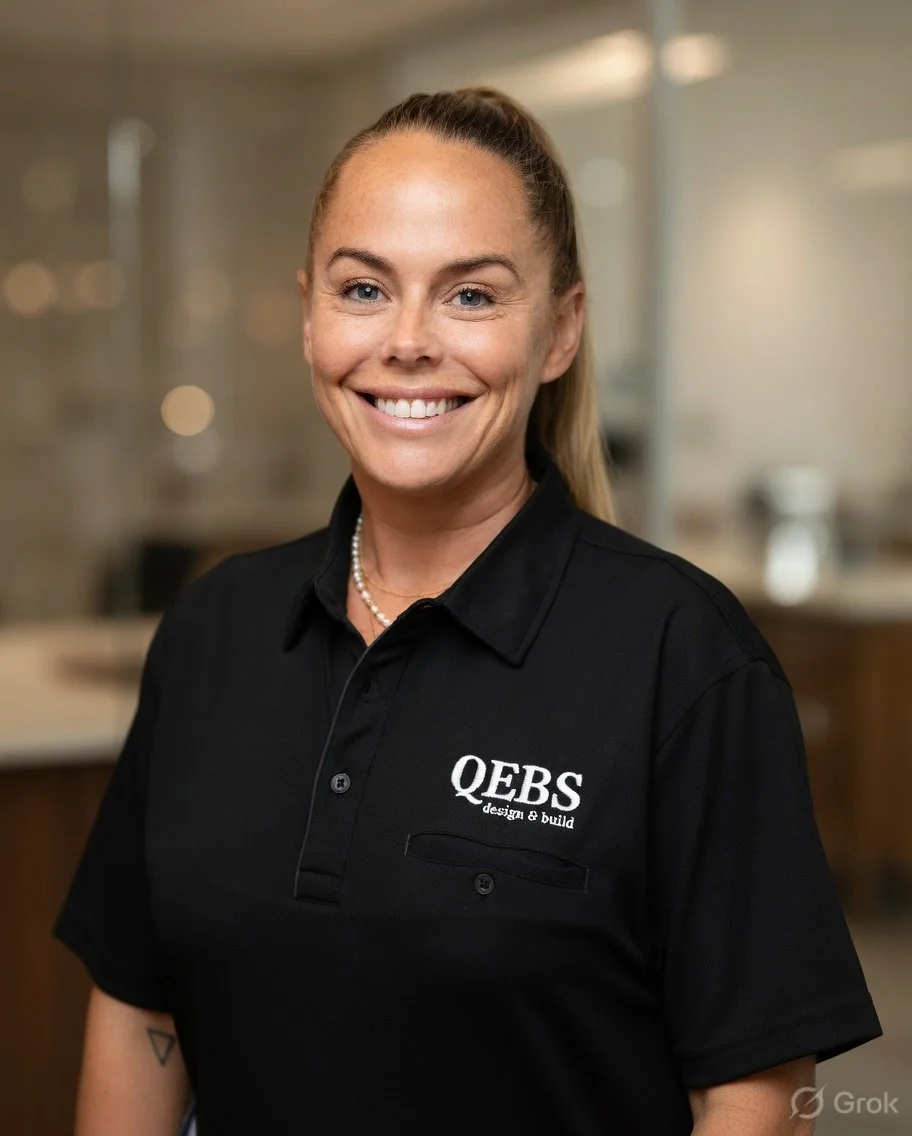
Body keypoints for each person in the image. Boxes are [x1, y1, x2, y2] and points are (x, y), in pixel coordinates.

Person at [55, 87, 882, 1135]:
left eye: (472, 297)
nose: (406, 341)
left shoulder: (683, 658)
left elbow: (757, 1094)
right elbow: (140, 1009)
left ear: (561, 329)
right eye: (364, 288)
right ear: (309, 313)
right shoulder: (214, 631)